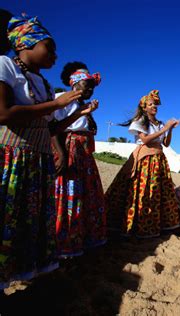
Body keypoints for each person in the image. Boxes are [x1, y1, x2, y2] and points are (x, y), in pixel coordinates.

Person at [0, 14, 82, 289]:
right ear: (26, 43)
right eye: (50, 47)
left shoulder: (43, 85)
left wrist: (76, 111)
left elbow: (50, 128)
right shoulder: (5, 65)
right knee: (6, 220)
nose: (55, 56)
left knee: (29, 223)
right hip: (11, 157)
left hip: (37, 161)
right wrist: (58, 103)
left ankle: (24, 274)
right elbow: (4, 114)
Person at [105, 90, 180, 238]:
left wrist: (169, 130)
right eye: (151, 104)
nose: (154, 107)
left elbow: (165, 143)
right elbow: (145, 140)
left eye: (155, 104)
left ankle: (158, 224)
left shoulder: (159, 124)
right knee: (144, 191)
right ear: (144, 107)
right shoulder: (140, 121)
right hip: (145, 159)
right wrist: (165, 129)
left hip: (159, 159)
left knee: (159, 192)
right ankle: (135, 224)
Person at [51, 62, 106, 258]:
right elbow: (53, 129)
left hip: (84, 155)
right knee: (69, 193)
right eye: (87, 84)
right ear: (74, 83)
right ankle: (65, 241)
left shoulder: (81, 107)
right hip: (70, 152)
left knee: (86, 194)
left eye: (92, 86)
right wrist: (62, 155)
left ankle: (82, 238)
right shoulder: (61, 99)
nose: (90, 89)